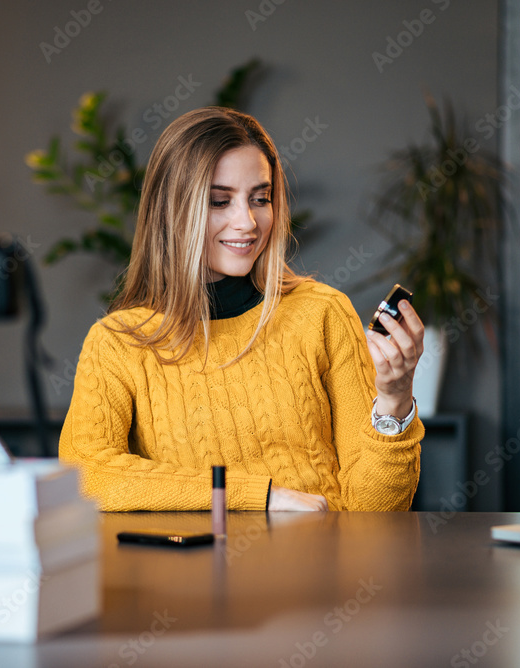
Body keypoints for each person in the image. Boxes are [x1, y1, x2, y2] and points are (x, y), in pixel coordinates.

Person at [59, 107, 424, 512]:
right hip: (194, 573)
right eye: (219, 201)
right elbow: (86, 475)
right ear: (172, 211)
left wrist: (394, 402)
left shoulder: (322, 314)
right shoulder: (119, 343)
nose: (247, 222)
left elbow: (376, 515)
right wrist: (256, 495)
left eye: (260, 198)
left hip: (320, 569)